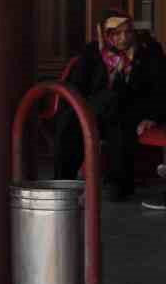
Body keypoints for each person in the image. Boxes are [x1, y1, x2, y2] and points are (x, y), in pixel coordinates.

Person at [54, 12, 166, 202]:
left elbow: (160, 88)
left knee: (116, 114)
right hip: (94, 111)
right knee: (72, 120)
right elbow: (78, 87)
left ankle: (118, 185)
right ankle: (63, 182)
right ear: (105, 34)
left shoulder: (149, 50)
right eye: (115, 33)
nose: (123, 38)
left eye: (127, 32)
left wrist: (152, 117)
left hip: (132, 110)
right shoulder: (93, 52)